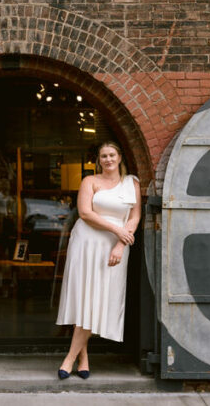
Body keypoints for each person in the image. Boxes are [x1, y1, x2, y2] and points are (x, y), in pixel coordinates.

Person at [55, 141, 142, 379]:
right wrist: (116, 229)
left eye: (112, 154)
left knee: (99, 299)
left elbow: (134, 217)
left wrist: (121, 242)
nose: (108, 159)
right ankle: (78, 358)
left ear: (120, 157)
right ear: (99, 160)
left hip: (114, 247)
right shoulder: (89, 181)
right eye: (103, 156)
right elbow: (85, 213)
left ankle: (71, 357)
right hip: (86, 243)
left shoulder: (131, 183)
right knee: (84, 299)